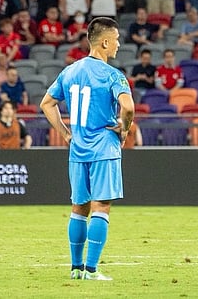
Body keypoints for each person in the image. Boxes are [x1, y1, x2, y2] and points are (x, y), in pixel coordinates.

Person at [41, 17, 135, 281]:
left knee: (78, 208)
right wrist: (124, 129)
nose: (118, 45)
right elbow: (127, 107)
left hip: (78, 148)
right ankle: (92, 270)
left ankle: (75, 268)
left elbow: (47, 103)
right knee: (101, 207)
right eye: (116, 40)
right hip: (104, 147)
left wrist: (66, 134)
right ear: (105, 42)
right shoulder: (113, 76)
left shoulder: (69, 71)